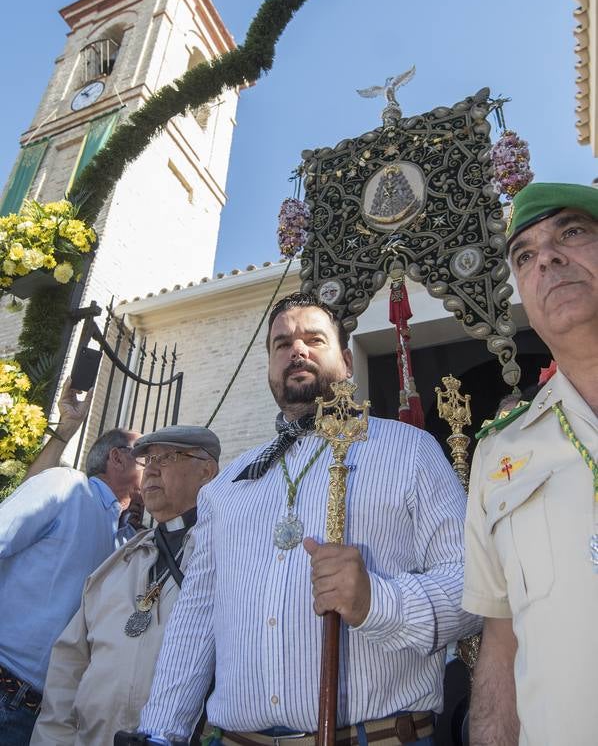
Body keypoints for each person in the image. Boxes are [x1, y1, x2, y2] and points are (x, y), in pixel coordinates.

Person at [137, 292, 478, 745]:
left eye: (314, 339)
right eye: (281, 344)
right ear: (270, 370)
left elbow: (472, 586)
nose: (296, 350)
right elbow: (196, 620)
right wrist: (161, 733)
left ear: (347, 362)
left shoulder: (409, 451)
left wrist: (378, 602)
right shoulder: (226, 487)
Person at [462, 182, 598, 746]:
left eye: (571, 232)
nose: (547, 256)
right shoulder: (499, 455)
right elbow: (501, 639)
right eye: (525, 255)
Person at [31, 425, 220, 745]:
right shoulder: (119, 562)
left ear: (206, 471)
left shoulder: (225, 555)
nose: (152, 470)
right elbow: (69, 662)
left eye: (169, 457)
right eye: (149, 460)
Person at [0, 427, 141, 745]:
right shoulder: (67, 486)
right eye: (146, 455)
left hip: (40, 716)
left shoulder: (127, 541)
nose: (157, 463)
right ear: (116, 458)